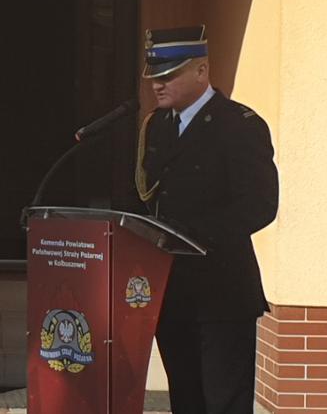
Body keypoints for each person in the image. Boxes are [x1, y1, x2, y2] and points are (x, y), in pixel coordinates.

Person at [135, 26, 279, 414]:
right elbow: (148, 197)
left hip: (222, 290)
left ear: (201, 72)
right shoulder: (158, 127)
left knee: (223, 403)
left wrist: (194, 235)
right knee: (186, 399)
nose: (157, 86)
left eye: (168, 76)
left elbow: (261, 204)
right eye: (153, 78)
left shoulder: (240, 125)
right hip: (172, 288)